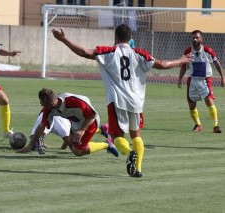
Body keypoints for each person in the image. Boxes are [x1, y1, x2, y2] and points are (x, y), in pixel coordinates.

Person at [52, 24, 192, 177]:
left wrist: (64, 40)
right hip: (137, 102)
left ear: (115, 37)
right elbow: (163, 64)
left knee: (116, 136)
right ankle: (138, 169)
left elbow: (83, 52)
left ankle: (129, 153)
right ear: (130, 38)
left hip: (117, 101)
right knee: (136, 135)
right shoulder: (140, 53)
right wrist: (181, 60)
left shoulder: (109, 52)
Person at [17, 88, 119, 158]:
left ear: (50, 103)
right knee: (71, 145)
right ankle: (103, 129)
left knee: (77, 151)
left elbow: (92, 114)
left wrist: (82, 130)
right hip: (75, 123)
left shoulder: (73, 101)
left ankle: (106, 144)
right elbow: (42, 126)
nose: (41, 104)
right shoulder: (48, 109)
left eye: (42, 103)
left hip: (90, 122)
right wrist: (31, 144)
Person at [177, 30, 225, 133]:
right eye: (193, 38)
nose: (194, 39)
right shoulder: (187, 52)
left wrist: (222, 77)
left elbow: (217, 64)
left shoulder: (208, 50)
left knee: (209, 101)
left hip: (205, 80)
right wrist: (180, 78)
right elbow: (183, 66)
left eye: (197, 37)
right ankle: (198, 125)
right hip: (192, 80)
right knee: (191, 104)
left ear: (201, 39)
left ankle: (216, 125)